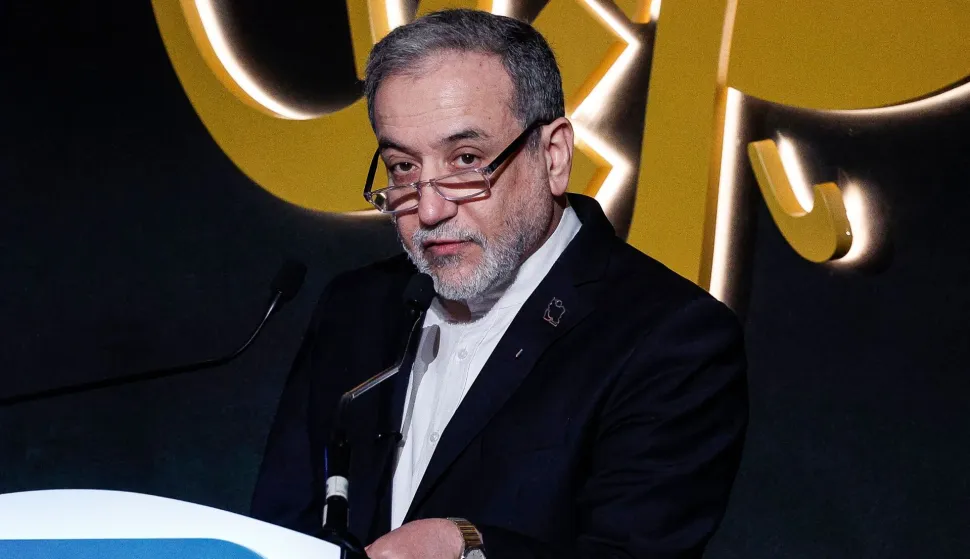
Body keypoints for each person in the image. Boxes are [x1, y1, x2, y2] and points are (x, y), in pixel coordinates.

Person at [251, 9, 747, 559]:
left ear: (553, 156)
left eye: (466, 160)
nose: (431, 208)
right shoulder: (356, 308)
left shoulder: (671, 338)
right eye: (403, 169)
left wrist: (467, 546)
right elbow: (277, 531)